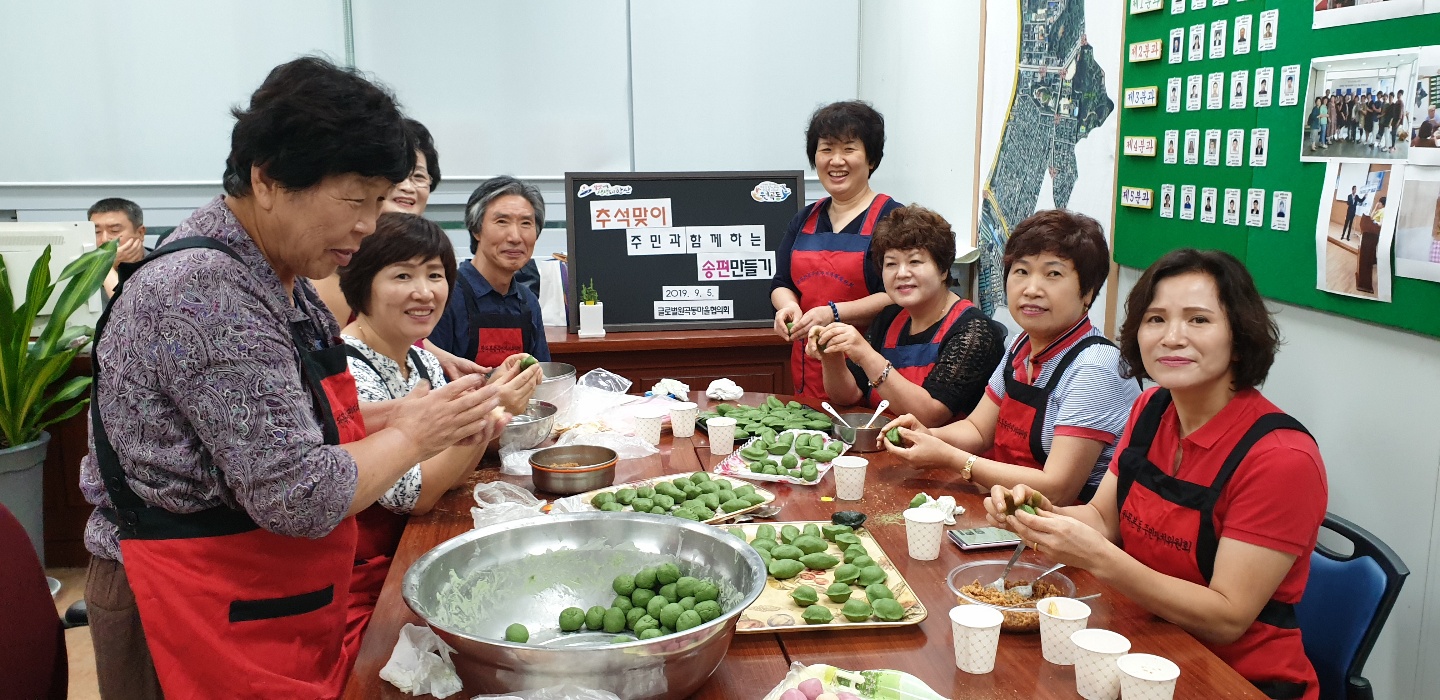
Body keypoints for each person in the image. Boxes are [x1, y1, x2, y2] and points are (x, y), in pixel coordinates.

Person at [78, 57, 509, 698]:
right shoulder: (206, 293)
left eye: (380, 200)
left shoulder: (271, 274)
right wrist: (416, 436)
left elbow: (296, 423)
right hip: (179, 599)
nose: (369, 224)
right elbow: (296, 493)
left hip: (261, 593)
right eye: (355, 200)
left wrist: (412, 413)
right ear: (269, 179)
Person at [988, 248, 1327, 699]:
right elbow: (1105, 520)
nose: (1172, 337)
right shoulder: (1152, 409)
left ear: (1239, 335)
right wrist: (1038, 514)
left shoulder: (1282, 459)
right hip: (1142, 642)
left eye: (1198, 320)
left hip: (1234, 677)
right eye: (1155, 319)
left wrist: (1100, 559)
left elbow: (1227, 618)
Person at [336, 212, 540, 660]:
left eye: (435, 275)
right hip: (371, 584)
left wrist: (488, 402)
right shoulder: (350, 371)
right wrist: (495, 407)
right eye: (403, 275)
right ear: (362, 283)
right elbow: (419, 493)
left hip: (419, 550)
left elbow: (453, 457)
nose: (424, 292)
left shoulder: (423, 360)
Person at [880, 210, 1140, 506]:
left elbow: (1057, 489)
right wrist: (927, 435)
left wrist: (953, 459)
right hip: (1006, 512)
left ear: (1088, 293)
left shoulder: (1095, 367)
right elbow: (978, 430)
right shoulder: (1023, 345)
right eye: (1021, 271)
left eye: (1053, 274)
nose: (1031, 289)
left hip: (1065, 529)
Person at [808, 206, 1005, 427]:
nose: (902, 273)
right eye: (891, 263)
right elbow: (848, 396)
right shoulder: (890, 318)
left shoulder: (974, 331)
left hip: (946, 457)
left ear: (943, 270)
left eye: (915, 262)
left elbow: (931, 416)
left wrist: (865, 354)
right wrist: (831, 355)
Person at [771, 101, 903, 398]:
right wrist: (788, 307)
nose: (836, 160)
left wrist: (834, 313)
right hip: (807, 364)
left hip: (868, 368)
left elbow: (898, 295)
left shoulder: (893, 219)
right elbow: (781, 283)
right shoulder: (804, 218)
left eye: (849, 148)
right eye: (827, 149)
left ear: (871, 159)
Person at [429, 176, 551, 367]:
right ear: (476, 229)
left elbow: (541, 376)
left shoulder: (528, 302)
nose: (515, 237)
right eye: (502, 221)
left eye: (526, 223)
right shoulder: (445, 294)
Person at [88, 198, 147, 298]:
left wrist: (105, 266)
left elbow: (128, 310)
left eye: (114, 231)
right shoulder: (83, 274)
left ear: (140, 233)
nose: (104, 239)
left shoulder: (162, 268)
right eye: (97, 232)